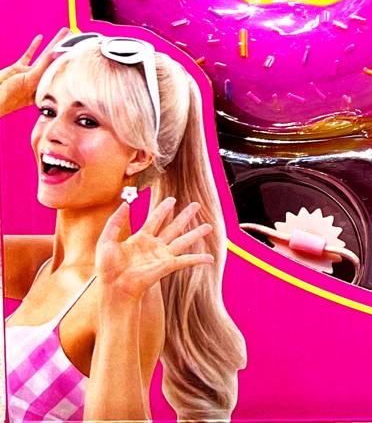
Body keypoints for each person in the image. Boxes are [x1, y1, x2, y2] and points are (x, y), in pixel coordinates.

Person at [2, 29, 245, 423]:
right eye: (47, 110)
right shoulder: (43, 264)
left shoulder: (126, 290)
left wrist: (121, 299)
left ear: (137, 157)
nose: (53, 134)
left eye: (86, 121)